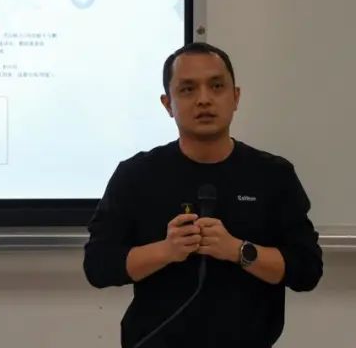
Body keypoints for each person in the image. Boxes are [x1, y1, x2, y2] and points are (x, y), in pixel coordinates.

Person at [83, 42, 323, 348]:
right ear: (167, 104)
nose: (204, 99)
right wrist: (166, 250)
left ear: (236, 97)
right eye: (187, 89)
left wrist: (239, 250)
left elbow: (307, 270)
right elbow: (98, 266)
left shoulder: (273, 175)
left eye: (217, 86)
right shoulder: (136, 175)